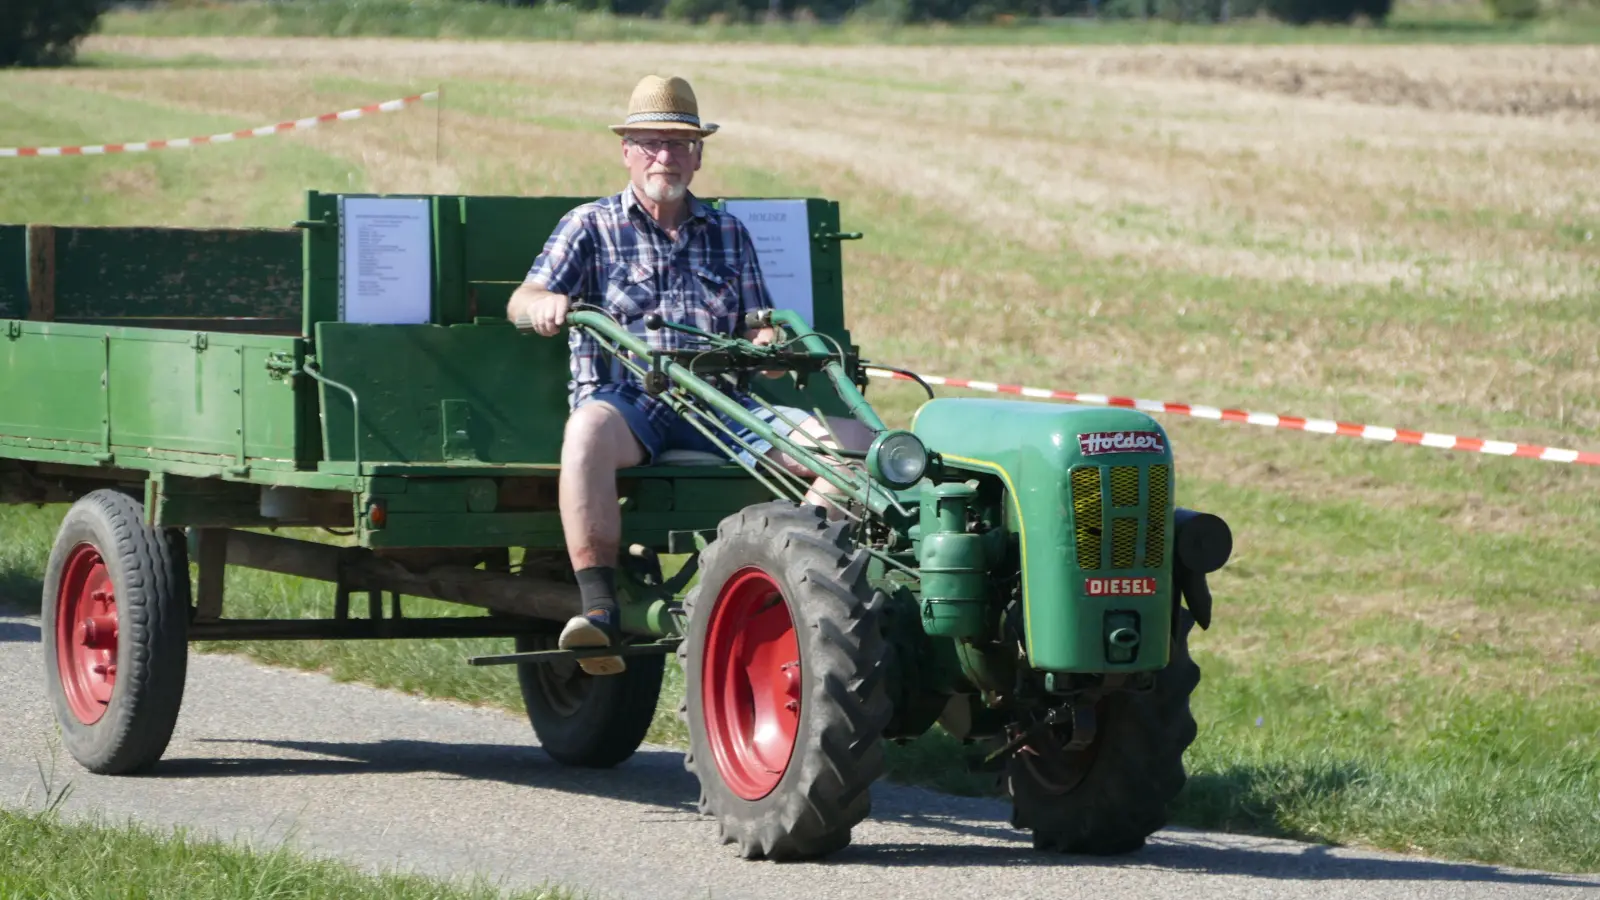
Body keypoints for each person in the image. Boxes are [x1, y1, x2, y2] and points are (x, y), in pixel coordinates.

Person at [506, 74, 871, 676]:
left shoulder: (728, 231)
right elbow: (524, 297)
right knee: (585, 435)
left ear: (699, 156)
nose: (664, 157)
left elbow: (758, 326)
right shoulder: (591, 225)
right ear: (626, 152)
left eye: (678, 144)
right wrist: (541, 306)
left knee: (854, 449)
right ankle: (598, 611)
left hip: (723, 406)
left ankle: (794, 590)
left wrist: (767, 345)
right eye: (650, 143)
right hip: (631, 405)